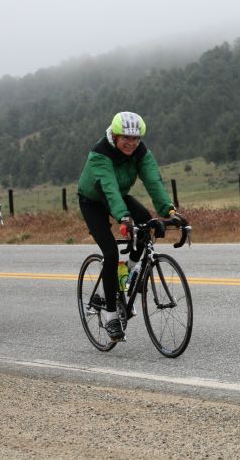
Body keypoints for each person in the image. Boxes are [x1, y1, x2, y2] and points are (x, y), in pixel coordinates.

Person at [78, 111, 183, 342]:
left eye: (136, 139)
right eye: (126, 138)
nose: (132, 143)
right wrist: (123, 218)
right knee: (110, 252)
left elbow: (153, 180)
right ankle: (111, 314)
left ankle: (127, 271)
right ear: (115, 135)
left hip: (118, 197)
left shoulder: (140, 152)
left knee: (146, 221)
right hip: (93, 201)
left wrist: (169, 211)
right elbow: (109, 188)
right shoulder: (100, 154)